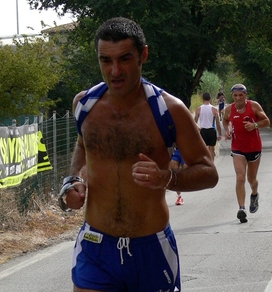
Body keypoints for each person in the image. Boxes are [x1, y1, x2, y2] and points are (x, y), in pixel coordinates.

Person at [58, 17, 218, 292]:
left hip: (151, 248)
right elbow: (85, 146)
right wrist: (72, 180)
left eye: (125, 58)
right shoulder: (84, 105)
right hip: (96, 246)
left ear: (143, 54)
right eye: (105, 60)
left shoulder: (169, 110)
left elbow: (209, 173)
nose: (115, 70)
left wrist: (167, 178)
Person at [223, 84, 270, 223]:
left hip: (254, 147)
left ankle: (254, 195)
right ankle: (241, 208)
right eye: (235, 95)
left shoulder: (254, 106)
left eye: (241, 95)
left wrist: (254, 125)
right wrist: (228, 130)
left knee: (252, 180)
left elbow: (267, 121)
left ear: (245, 95)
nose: (238, 98)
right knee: (240, 177)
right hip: (238, 148)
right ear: (232, 96)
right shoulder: (228, 109)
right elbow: (225, 120)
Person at [194, 92, 222, 161]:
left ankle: (204, 164)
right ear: (210, 99)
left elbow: (195, 122)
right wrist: (220, 133)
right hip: (212, 130)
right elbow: (218, 123)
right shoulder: (214, 109)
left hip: (202, 130)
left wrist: (196, 131)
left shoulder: (198, 109)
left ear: (202, 99)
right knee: (211, 149)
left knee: (203, 150)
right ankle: (211, 165)